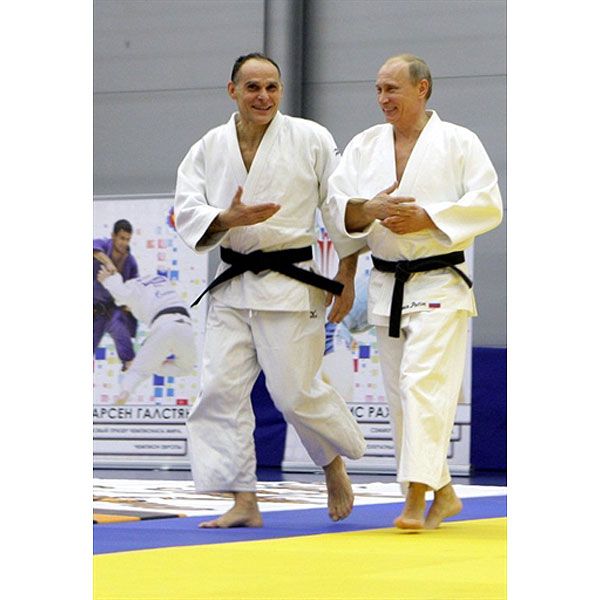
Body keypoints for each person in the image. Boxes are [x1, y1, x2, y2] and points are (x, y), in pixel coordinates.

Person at [174, 52, 366, 528]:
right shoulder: (208, 147)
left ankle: (333, 464)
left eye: (272, 87)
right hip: (233, 286)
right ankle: (243, 499)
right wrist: (226, 218)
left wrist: (347, 273)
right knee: (218, 391)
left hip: (290, 283)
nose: (264, 96)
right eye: (253, 87)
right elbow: (187, 209)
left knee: (294, 394)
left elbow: (338, 207)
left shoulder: (310, 138)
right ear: (232, 90)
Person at [327, 54, 503, 530]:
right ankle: (442, 493)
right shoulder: (364, 146)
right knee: (401, 396)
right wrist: (367, 209)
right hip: (387, 284)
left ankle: (415, 498)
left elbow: (489, 205)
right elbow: (337, 208)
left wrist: (429, 217)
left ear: (422, 88)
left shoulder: (459, 142)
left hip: (440, 281)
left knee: (420, 384)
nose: (383, 98)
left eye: (392, 89)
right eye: (378, 89)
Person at [96, 265, 196, 403]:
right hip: (185, 326)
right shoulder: (160, 281)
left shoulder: (132, 288)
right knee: (185, 368)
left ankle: (124, 392)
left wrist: (107, 280)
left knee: (139, 370)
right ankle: (153, 364)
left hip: (163, 325)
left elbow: (121, 293)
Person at [93, 219, 139, 369]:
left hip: (112, 308)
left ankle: (128, 362)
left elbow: (133, 288)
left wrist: (129, 307)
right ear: (113, 235)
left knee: (121, 328)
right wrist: (108, 263)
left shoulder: (130, 262)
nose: (124, 243)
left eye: (127, 239)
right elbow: (93, 249)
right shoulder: (103, 245)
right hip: (94, 308)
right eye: (121, 238)